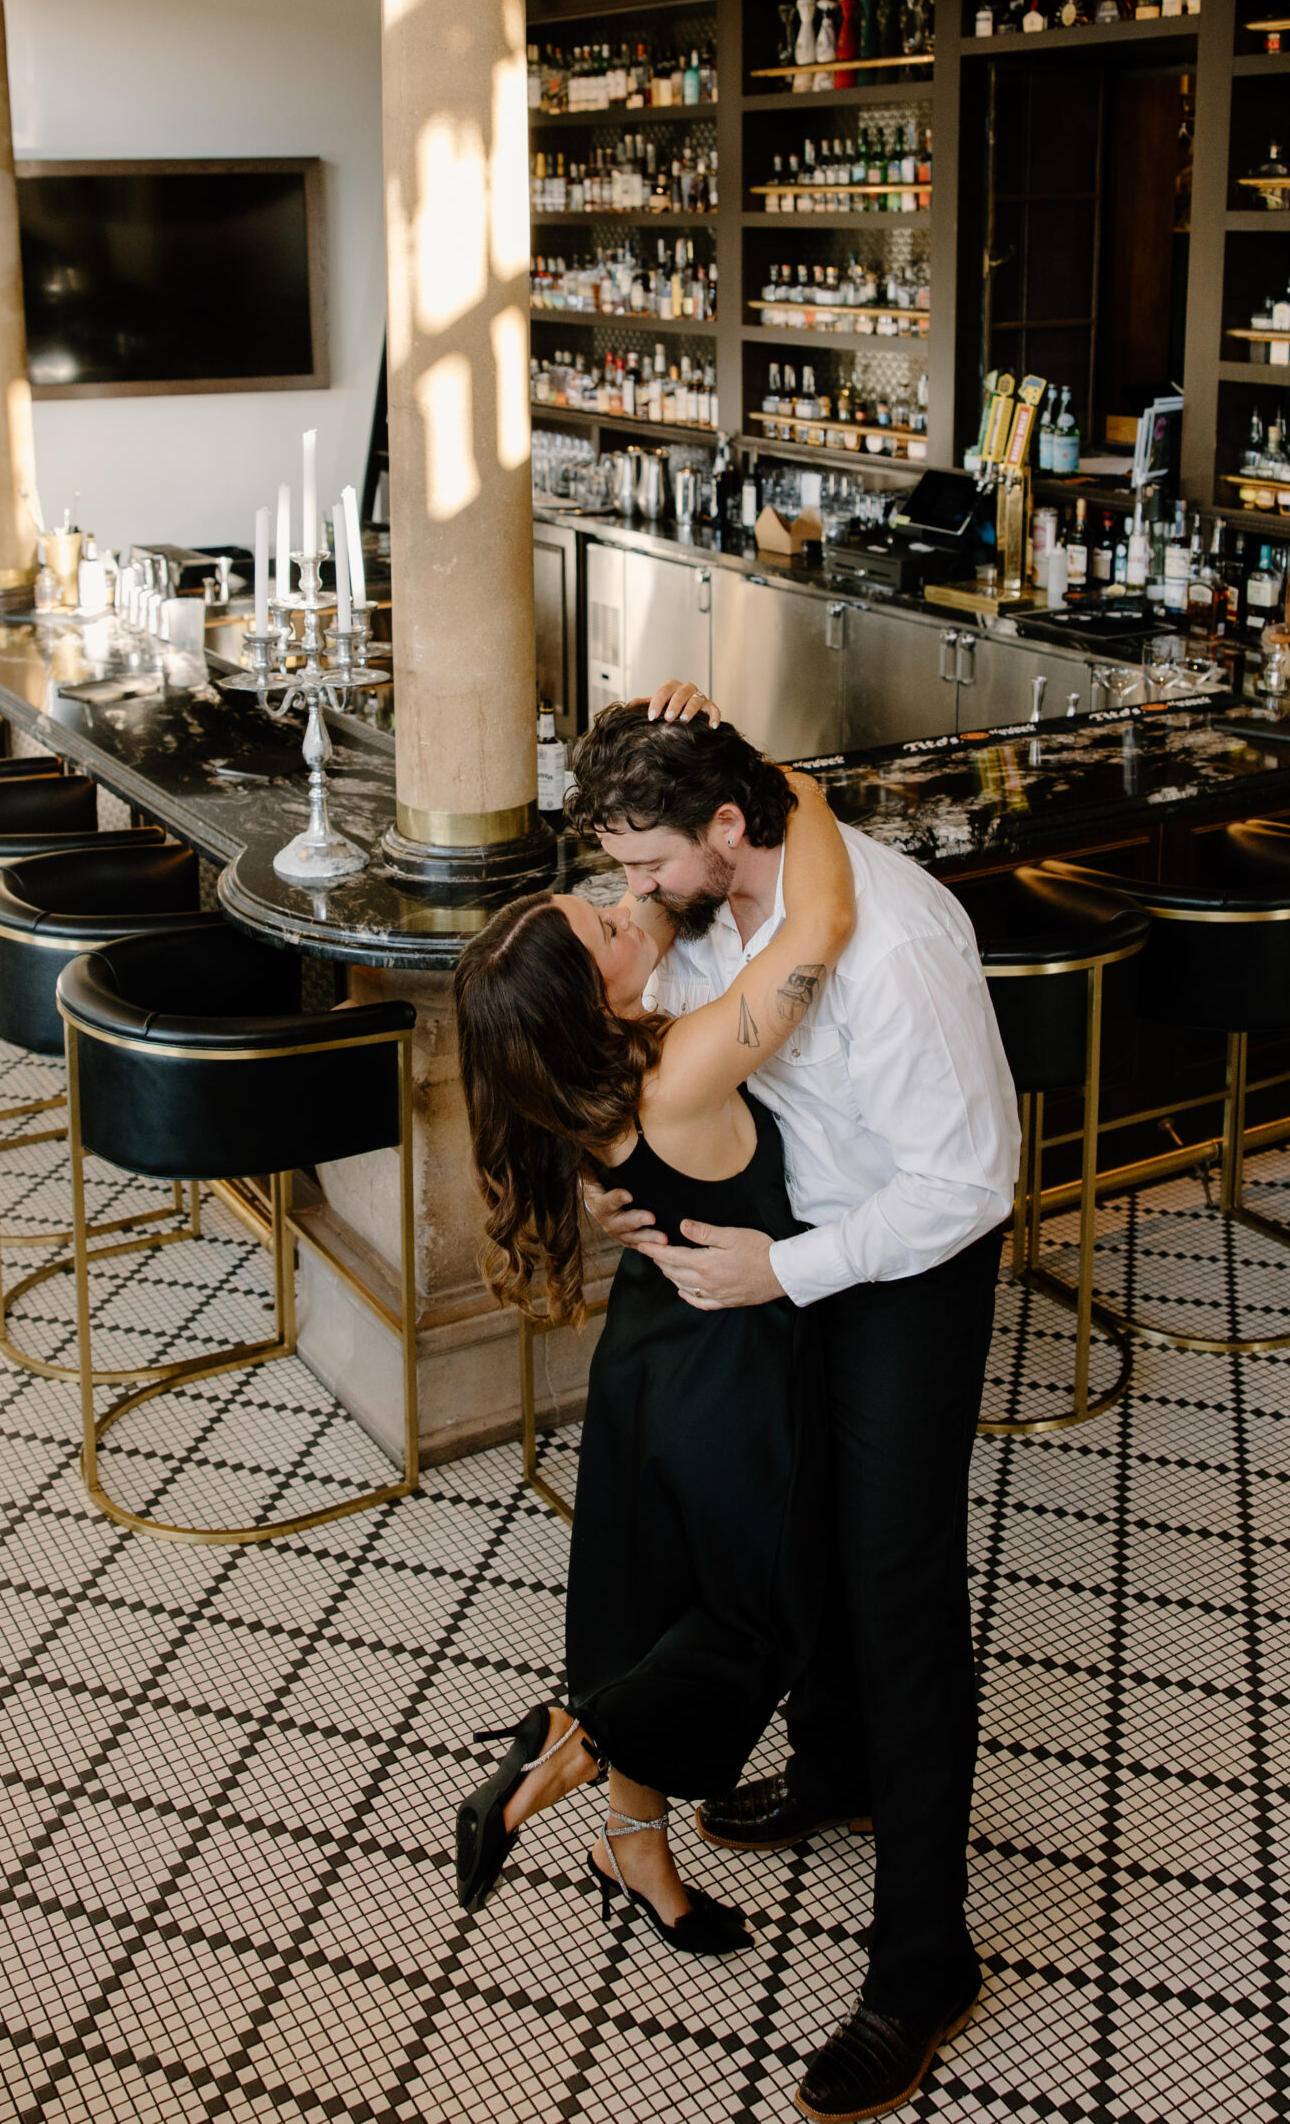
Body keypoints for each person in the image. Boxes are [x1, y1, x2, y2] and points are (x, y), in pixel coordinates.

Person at [571, 693, 1019, 2124]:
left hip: (896, 1269)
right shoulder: (722, 884)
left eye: (646, 864)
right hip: (785, 1258)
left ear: (723, 828)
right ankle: (831, 1765)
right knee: (799, 1537)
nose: (631, 895)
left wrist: (789, 1268)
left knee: (895, 1589)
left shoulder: (888, 949)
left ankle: (922, 1957)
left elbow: (964, 1188)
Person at [451, 761, 854, 1960]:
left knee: (642, 1603)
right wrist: (782, 783)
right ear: (597, 997)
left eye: (609, 894)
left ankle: (634, 1842)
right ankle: (571, 1745)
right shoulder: (681, 1074)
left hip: (645, 1362)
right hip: (730, 1374)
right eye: (605, 923)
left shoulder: (581, 1092)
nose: (628, 908)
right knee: (755, 1615)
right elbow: (822, 922)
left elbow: (661, 914)